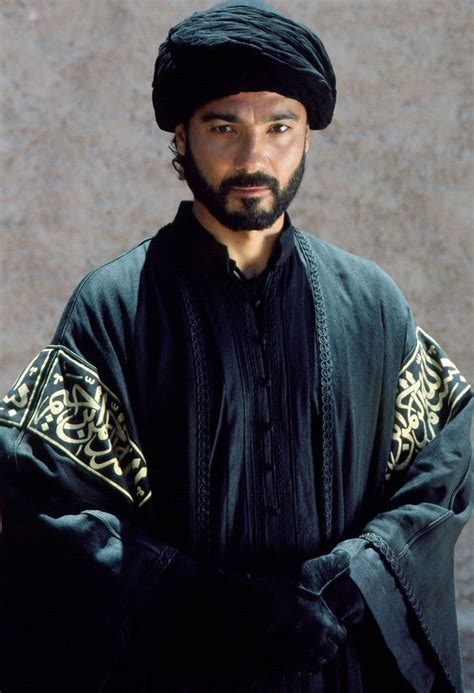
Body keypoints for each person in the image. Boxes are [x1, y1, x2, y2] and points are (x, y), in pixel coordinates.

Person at [0, 1, 471, 691]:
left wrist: (355, 577)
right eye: (225, 127)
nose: (255, 156)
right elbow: (49, 499)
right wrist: (201, 601)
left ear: (307, 136)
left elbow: (445, 458)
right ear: (183, 139)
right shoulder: (115, 306)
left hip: (333, 671)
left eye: (280, 126)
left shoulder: (372, 305)